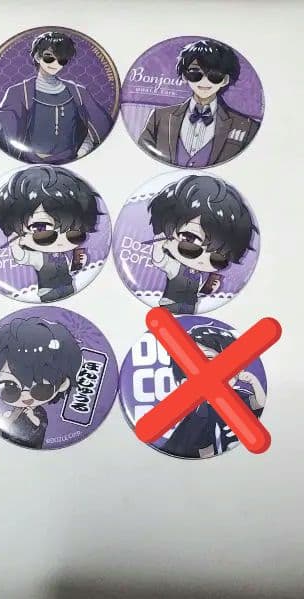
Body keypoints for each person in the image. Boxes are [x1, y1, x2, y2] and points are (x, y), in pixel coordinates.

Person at [0, 31, 113, 163]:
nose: (55, 64)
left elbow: (100, 126)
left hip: (73, 160)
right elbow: (6, 125)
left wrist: (84, 149)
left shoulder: (78, 92)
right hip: (29, 161)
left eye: (61, 60)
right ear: (37, 57)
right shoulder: (19, 92)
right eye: (49, 58)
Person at [138, 39, 260, 167]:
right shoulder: (159, 117)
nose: (204, 81)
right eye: (195, 73)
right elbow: (142, 160)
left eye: (214, 74)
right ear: (184, 76)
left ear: (225, 80)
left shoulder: (247, 127)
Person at [147, 175, 256, 314]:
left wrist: (208, 288)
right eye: (189, 243)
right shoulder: (175, 267)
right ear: (167, 238)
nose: (202, 260)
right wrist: (158, 245)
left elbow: (195, 291)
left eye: (218, 257)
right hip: (170, 306)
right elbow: (159, 260)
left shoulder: (198, 276)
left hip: (190, 308)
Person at [0, 166, 101, 302]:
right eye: (42, 231)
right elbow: (21, 257)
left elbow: (69, 270)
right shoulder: (39, 258)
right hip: (49, 292)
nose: (61, 241)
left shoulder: (63, 256)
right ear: (19, 234)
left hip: (69, 287)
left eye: (74, 233)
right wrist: (14, 244)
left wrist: (78, 264)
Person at [0, 316, 82, 449]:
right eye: (10, 388)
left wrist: (32, 417)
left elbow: (40, 425)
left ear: (62, 384)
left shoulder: (39, 412)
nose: (26, 396)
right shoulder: (15, 410)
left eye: (41, 389)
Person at [161, 325, 266, 458]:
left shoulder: (239, 397)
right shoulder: (198, 415)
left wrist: (254, 382)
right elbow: (200, 450)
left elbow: (259, 404)